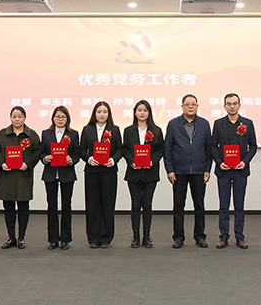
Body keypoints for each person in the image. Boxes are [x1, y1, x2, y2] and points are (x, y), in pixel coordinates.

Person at [164, 94, 212, 249]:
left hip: (199, 170)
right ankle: (178, 237)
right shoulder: (173, 124)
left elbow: (209, 149)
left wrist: (207, 169)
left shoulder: (204, 124)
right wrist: (170, 170)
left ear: (197, 106)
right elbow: (167, 149)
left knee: (199, 205)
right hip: (179, 171)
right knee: (178, 205)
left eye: (193, 104)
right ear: (182, 107)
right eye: (187, 104)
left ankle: (200, 236)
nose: (190, 106)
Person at [210, 93, 257, 249]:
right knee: (224, 205)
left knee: (239, 205)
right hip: (223, 170)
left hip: (240, 170)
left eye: (234, 103)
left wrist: (245, 162)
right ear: (224, 106)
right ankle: (223, 236)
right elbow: (213, 146)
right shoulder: (218, 124)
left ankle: (239, 236)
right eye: (229, 103)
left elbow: (253, 146)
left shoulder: (247, 123)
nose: (232, 106)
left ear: (239, 105)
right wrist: (219, 162)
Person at [0, 106, 41, 249]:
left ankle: (21, 238)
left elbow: (38, 152)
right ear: (10, 118)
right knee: (8, 207)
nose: (17, 119)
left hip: (23, 175)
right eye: (14, 116)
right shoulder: (2, 134)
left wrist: (28, 163)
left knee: (24, 206)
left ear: (25, 118)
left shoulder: (31, 135)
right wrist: (1, 163)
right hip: (7, 176)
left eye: (20, 116)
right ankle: (11, 237)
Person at [79, 101, 122, 249]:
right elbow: (81, 150)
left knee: (107, 204)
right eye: (99, 112)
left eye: (104, 112)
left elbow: (120, 149)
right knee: (92, 204)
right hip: (92, 172)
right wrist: (89, 159)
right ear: (94, 114)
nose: (102, 114)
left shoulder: (114, 130)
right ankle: (93, 237)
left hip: (109, 172)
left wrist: (113, 160)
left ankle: (106, 238)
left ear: (108, 114)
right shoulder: (87, 129)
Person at [121, 100, 164, 248]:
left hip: (150, 173)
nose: (142, 113)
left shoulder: (156, 130)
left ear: (149, 113)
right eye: (139, 110)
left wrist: (152, 161)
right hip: (133, 172)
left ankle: (146, 236)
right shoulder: (128, 131)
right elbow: (125, 149)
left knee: (147, 204)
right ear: (135, 112)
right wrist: (131, 161)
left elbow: (161, 150)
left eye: (145, 110)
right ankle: (135, 236)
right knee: (135, 204)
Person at [40, 106, 80, 250]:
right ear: (53, 118)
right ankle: (53, 239)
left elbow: (77, 154)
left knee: (66, 206)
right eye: (57, 116)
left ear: (67, 119)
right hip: (50, 174)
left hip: (67, 174)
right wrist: (45, 158)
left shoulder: (73, 134)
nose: (60, 119)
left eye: (63, 116)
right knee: (52, 207)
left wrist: (71, 160)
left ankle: (65, 239)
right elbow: (41, 153)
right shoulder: (46, 133)